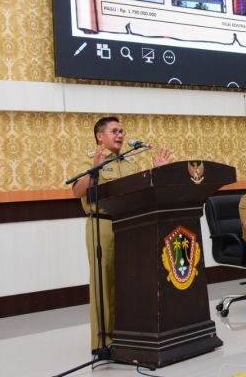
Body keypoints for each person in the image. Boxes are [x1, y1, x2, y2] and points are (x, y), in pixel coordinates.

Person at [71, 116, 174, 353]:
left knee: (130, 281)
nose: (121, 135)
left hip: (129, 226)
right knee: (104, 283)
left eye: (122, 131)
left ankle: (128, 334)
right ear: (100, 136)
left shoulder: (128, 163)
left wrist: (156, 173)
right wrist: (94, 169)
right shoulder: (91, 159)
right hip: (103, 226)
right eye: (115, 131)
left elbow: (141, 194)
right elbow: (76, 191)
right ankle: (103, 342)